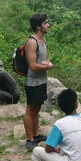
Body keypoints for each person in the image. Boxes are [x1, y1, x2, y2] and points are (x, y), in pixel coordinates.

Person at [24, 13, 55, 151]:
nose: (48, 25)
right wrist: (48, 66)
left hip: (41, 80)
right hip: (32, 81)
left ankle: (36, 135)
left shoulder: (43, 41)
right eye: (45, 23)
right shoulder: (32, 42)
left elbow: (46, 58)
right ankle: (29, 139)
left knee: (37, 108)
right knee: (30, 110)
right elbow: (33, 66)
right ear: (38, 26)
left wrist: (47, 63)